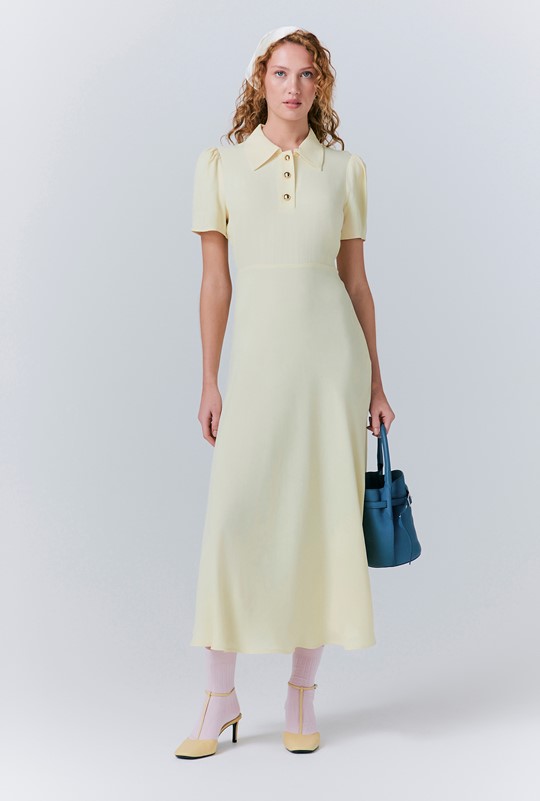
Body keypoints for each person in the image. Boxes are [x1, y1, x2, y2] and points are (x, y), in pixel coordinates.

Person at [175, 26, 395, 759]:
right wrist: (209, 378)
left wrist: (377, 382)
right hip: (257, 367)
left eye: (305, 74)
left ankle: (302, 691)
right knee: (232, 519)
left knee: (321, 521)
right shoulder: (221, 166)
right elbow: (215, 282)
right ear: (259, 81)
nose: (292, 86)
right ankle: (220, 696)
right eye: (279, 72)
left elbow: (356, 283)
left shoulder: (345, 169)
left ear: (319, 85)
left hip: (332, 366)